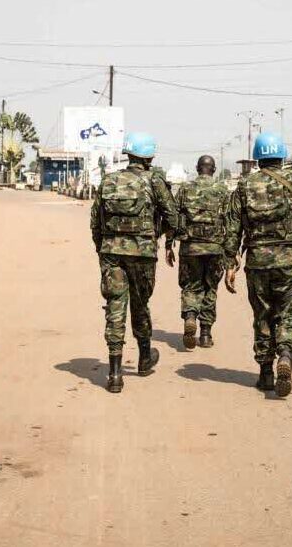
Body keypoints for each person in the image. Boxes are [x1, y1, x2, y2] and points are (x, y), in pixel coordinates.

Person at [224, 132, 292, 398]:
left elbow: (233, 228)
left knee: (262, 315)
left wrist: (231, 262)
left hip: (258, 262)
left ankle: (265, 373)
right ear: (281, 156)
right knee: (287, 313)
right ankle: (285, 354)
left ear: (258, 158)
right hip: (290, 261)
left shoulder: (244, 185)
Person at [90, 132, 179, 393]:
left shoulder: (109, 180)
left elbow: (96, 220)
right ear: (149, 156)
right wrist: (159, 236)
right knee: (140, 305)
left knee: (115, 307)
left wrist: (103, 249)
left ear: (128, 153)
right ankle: (143, 358)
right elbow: (172, 217)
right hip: (142, 253)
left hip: (111, 253)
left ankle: (115, 374)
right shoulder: (154, 180)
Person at [168, 155, 229, 349]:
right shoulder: (222, 190)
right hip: (215, 247)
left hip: (190, 247)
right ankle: (205, 334)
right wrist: (230, 253)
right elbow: (230, 221)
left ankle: (190, 316)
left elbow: (173, 217)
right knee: (210, 287)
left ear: (197, 168)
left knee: (191, 286)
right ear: (214, 169)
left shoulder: (186, 189)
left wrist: (169, 244)